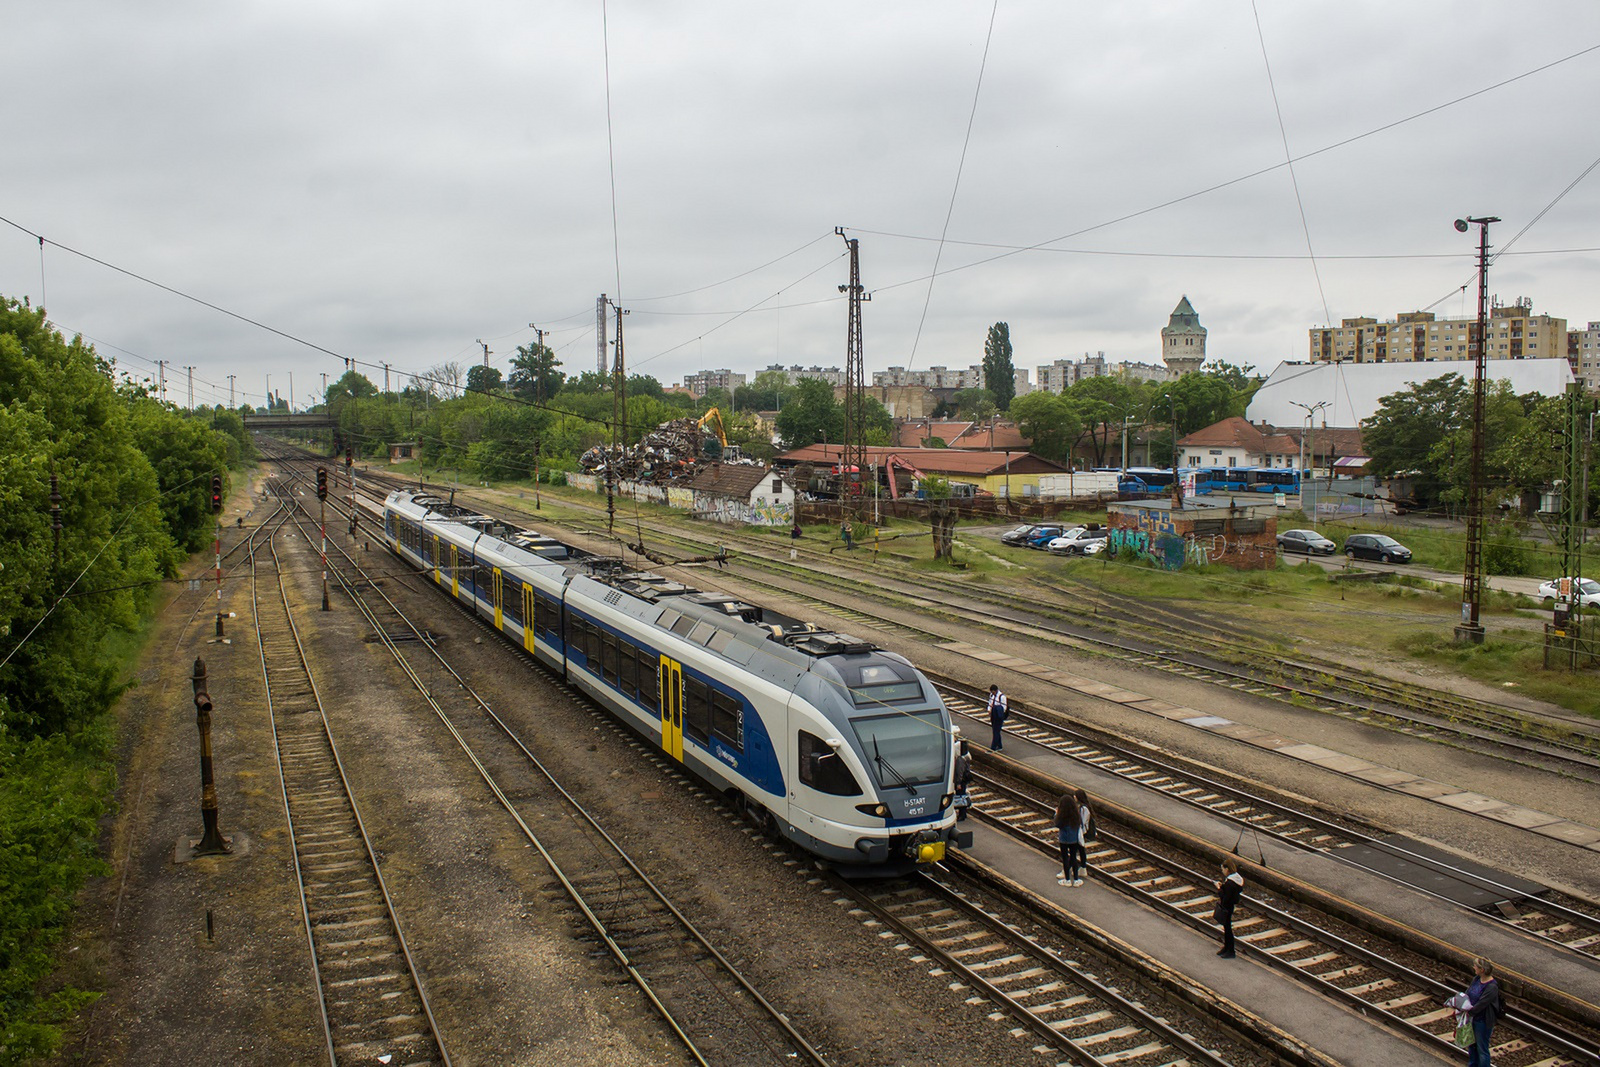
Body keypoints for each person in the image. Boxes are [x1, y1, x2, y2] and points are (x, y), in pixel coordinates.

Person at [1464, 956, 1502, 1067]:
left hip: (1483, 1021)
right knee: (1472, 1045)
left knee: (1482, 1048)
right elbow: (1468, 991)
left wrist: (1469, 1012)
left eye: (1475, 966)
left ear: (1482, 970)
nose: (1473, 967)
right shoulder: (1476, 979)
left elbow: (1482, 1004)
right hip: (1472, 1018)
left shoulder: (1492, 987)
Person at [1214, 857, 1244, 958]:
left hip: (1227, 907)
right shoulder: (1236, 880)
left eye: (1223, 869)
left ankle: (1230, 950)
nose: (1222, 871)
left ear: (1227, 869)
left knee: (1228, 930)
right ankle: (1226, 948)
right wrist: (1223, 886)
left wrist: (1219, 889)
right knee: (1227, 928)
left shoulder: (1230, 883)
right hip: (1230, 907)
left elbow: (1225, 897)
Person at [1055, 793, 1084, 886]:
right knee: (1073, 858)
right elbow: (1080, 824)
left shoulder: (1061, 815)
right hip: (1074, 839)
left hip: (1063, 839)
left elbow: (1057, 824)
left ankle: (1067, 880)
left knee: (1065, 859)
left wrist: (1056, 814)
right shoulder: (1076, 815)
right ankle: (1076, 880)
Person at [1074, 788, 1094, 882]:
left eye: (1075, 795)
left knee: (1077, 849)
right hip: (1081, 831)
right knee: (1080, 850)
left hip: (1081, 832)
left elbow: (1083, 821)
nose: (1074, 796)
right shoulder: (1084, 807)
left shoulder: (1083, 808)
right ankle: (1082, 868)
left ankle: (1079, 867)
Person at [953, 740, 972, 821]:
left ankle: (962, 815)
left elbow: (959, 772)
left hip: (961, 781)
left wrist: (958, 783)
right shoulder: (966, 757)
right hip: (964, 780)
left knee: (960, 797)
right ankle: (963, 813)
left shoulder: (960, 759)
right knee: (962, 796)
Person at [986, 685, 1008, 750]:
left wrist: (999, 712)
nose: (993, 693)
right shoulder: (991, 695)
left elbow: (1004, 708)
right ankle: (999, 745)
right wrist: (989, 709)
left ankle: (993, 747)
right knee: (995, 731)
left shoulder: (1002, 697)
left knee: (996, 731)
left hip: (998, 716)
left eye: (993, 692)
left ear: (995, 691)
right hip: (993, 714)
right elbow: (990, 703)